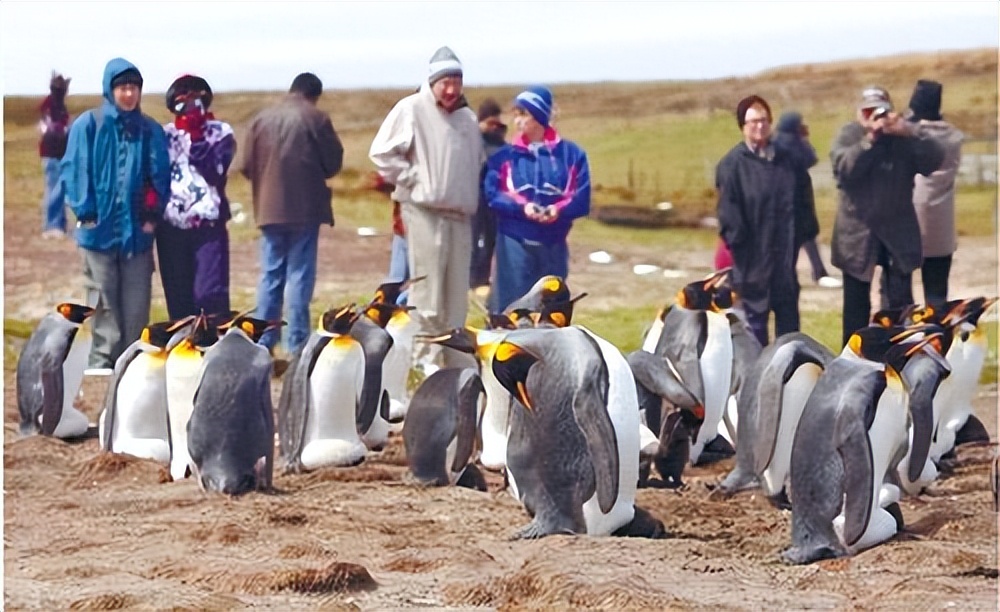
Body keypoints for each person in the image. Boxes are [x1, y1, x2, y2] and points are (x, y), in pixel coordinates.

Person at [369, 46, 484, 371]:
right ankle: (426, 361)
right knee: (429, 293)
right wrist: (414, 179)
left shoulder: (467, 118)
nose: (450, 89)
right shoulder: (412, 109)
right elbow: (382, 153)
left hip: (460, 216)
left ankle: (456, 360)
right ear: (433, 82)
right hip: (425, 213)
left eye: (456, 81)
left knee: (455, 295)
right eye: (444, 81)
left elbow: (475, 163)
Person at [61, 58, 171, 373]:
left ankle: (133, 359)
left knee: (136, 300)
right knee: (103, 296)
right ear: (111, 90)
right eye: (123, 87)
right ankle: (102, 361)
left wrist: (152, 214)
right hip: (99, 231)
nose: (128, 94)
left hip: (136, 232)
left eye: (134, 87)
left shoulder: (149, 129)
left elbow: (159, 174)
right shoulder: (89, 125)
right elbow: (75, 169)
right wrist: (86, 211)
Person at [830, 86, 944, 346]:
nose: (875, 117)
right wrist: (868, 140)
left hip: (897, 231)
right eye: (868, 111)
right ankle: (854, 358)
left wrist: (910, 131)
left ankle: (898, 353)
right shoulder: (849, 135)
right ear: (859, 113)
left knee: (899, 304)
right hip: (858, 234)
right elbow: (844, 170)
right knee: (856, 304)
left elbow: (935, 159)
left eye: (880, 111)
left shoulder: (902, 138)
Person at [240, 72, 344, 356]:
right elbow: (333, 162)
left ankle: (262, 343)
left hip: (269, 210)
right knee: (299, 276)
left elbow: (246, 165)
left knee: (270, 275)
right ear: (314, 94)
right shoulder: (316, 118)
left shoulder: (262, 119)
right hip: (306, 209)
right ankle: (296, 345)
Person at [483, 86, 590, 313]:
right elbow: (493, 195)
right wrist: (523, 208)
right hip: (514, 244)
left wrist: (557, 210)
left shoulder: (572, 155)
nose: (518, 121)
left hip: (554, 245)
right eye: (516, 115)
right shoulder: (504, 158)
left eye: (524, 114)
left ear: (540, 116)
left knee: (550, 311)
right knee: (510, 310)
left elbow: (581, 198)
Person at [715, 95, 799, 347]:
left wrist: (796, 245)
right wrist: (743, 253)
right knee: (755, 338)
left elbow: (801, 207)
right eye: (752, 122)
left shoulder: (787, 161)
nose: (759, 126)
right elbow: (729, 217)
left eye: (763, 120)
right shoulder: (732, 166)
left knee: (789, 338)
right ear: (742, 126)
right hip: (751, 266)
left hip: (784, 264)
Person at [157, 74, 236, 321]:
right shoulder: (164, 135)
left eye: (197, 98)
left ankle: (214, 348)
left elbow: (216, 171)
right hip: (172, 227)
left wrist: (197, 136)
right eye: (184, 99)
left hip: (208, 225)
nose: (191, 105)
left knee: (210, 295)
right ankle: (182, 349)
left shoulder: (221, 132)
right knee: (178, 296)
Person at [907, 79, 964, 308]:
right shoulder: (953, 137)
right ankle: (938, 336)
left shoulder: (912, 135)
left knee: (900, 295)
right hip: (942, 224)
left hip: (911, 219)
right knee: (937, 293)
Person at [773, 111, 842, 289]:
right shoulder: (789, 143)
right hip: (795, 198)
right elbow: (810, 158)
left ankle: (805, 272)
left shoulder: (775, 141)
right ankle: (817, 272)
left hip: (787, 197)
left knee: (797, 238)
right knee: (803, 237)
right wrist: (804, 139)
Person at [469, 98, 508, 294]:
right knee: (473, 240)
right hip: (473, 197)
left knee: (491, 240)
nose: (493, 127)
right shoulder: (472, 140)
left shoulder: (501, 143)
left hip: (495, 199)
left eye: (496, 123)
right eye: (489, 123)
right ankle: (471, 279)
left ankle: (482, 279)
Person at [39, 71, 72, 239]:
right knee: (54, 189)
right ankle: (51, 226)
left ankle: (59, 224)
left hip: (59, 153)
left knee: (59, 189)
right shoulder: (50, 104)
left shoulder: (56, 105)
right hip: (52, 153)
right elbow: (51, 128)